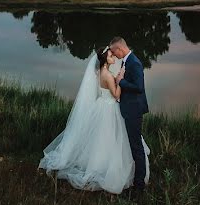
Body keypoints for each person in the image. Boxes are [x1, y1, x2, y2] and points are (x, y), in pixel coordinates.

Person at [39, 45, 149, 194]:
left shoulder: (100, 72)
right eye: (111, 56)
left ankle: (97, 162)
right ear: (105, 59)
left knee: (100, 139)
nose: (113, 58)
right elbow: (116, 95)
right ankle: (107, 167)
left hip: (102, 106)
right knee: (111, 140)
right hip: (110, 109)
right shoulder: (109, 75)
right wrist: (120, 79)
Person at [109, 36, 149, 193]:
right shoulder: (127, 61)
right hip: (129, 109)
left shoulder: (135, 63)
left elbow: (139, 87)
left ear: (120, 49)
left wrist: (120, 82)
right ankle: (137, 179)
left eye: (114, 52)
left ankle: (139, 186)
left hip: (134, 111)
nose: (114, 55)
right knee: (134, 145)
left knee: (136, 147)